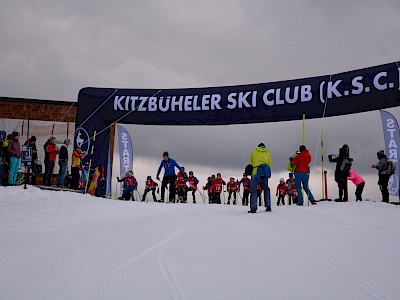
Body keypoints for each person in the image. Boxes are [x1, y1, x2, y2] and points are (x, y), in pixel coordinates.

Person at [249, 143, 272, 213]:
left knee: (254, 189)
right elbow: (270, 163)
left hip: (256, 171)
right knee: (266, 188)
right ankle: (268, 206)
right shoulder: (267, 152)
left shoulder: (254, 151)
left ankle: (253, 208)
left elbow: (251, 161)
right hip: (265, 172)